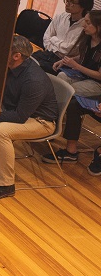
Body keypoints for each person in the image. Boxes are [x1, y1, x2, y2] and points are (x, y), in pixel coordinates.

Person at [0, 35, 59, 200]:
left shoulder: (33, 80)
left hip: (41, 121)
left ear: (16, 56)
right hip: (21, 112)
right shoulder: (12, 67)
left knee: (1, 131)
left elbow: (19, 116)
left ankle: (5, 185)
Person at [41, 9, 101, 164]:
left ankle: (52, 124)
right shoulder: (88, 38)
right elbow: (82, 56)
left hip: (97, 84)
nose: (84, 25)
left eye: (88, 23)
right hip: (84, 76)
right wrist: (66, 61)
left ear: (98, 27)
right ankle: (50, 119)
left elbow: (99, 75)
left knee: (69, 92)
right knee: (60, 78)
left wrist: (76, 66)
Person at [34, 0, 93, 73]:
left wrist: (53, 39)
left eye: (71, 2)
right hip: (48, 54)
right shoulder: (60, 16)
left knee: (37, 71)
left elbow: (69, 50)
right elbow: (46, 38)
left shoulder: (86, 27)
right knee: (26, 61)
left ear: (83, 6)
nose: (67, 4)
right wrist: (54, 48)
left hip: (64, 63)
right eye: (66, 0)